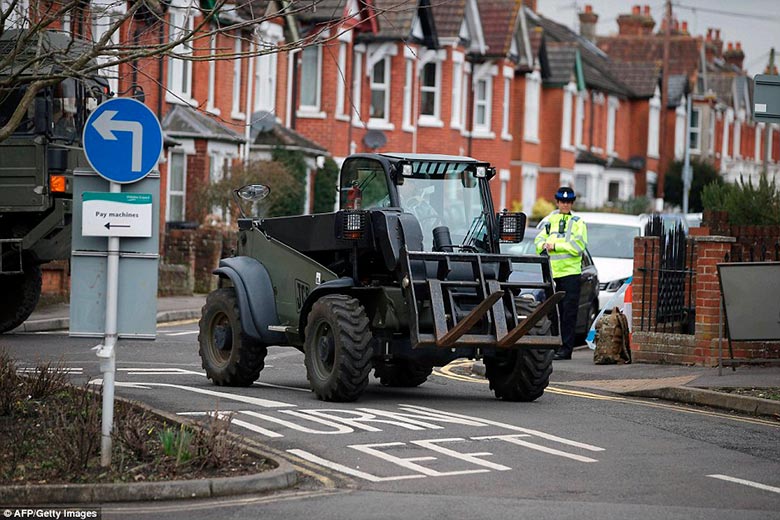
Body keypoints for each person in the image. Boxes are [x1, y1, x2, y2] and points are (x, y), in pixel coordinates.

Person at [535, 186, 588, 360]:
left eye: (568, 202)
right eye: (562, 201)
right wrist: (543, 246)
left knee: (568, 313)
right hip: (552, 273)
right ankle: (553, 346)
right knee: (552, 313)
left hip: (570, 274)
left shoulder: (578, 222)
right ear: (557, 202)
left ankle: (566, 349)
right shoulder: (550, 220)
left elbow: (578, 247)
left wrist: (555, 246)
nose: (565, 204)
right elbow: (539, 240)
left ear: (572, 203)